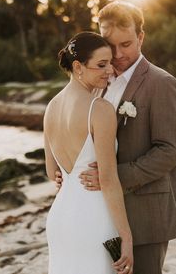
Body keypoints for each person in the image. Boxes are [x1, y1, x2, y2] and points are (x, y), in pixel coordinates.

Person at [56, 2, 176, 274]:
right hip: (102, 214)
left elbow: (170, 151)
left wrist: (111, 176)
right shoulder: (98, 83)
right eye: (110, 45)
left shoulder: (161, 84)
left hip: (145, 211)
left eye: (126, 44)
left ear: (141, 37)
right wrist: (67, 170)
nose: (117, 54)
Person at [44, 32, 133, 274]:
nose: (110, 71)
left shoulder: (51, 107)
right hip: (93, 218)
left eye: (110, 64)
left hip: (60, 219)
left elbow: (52, 172)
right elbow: (108, 179)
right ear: (77, 66)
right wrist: (126, 237)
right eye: (101, 65)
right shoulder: (100, 110)